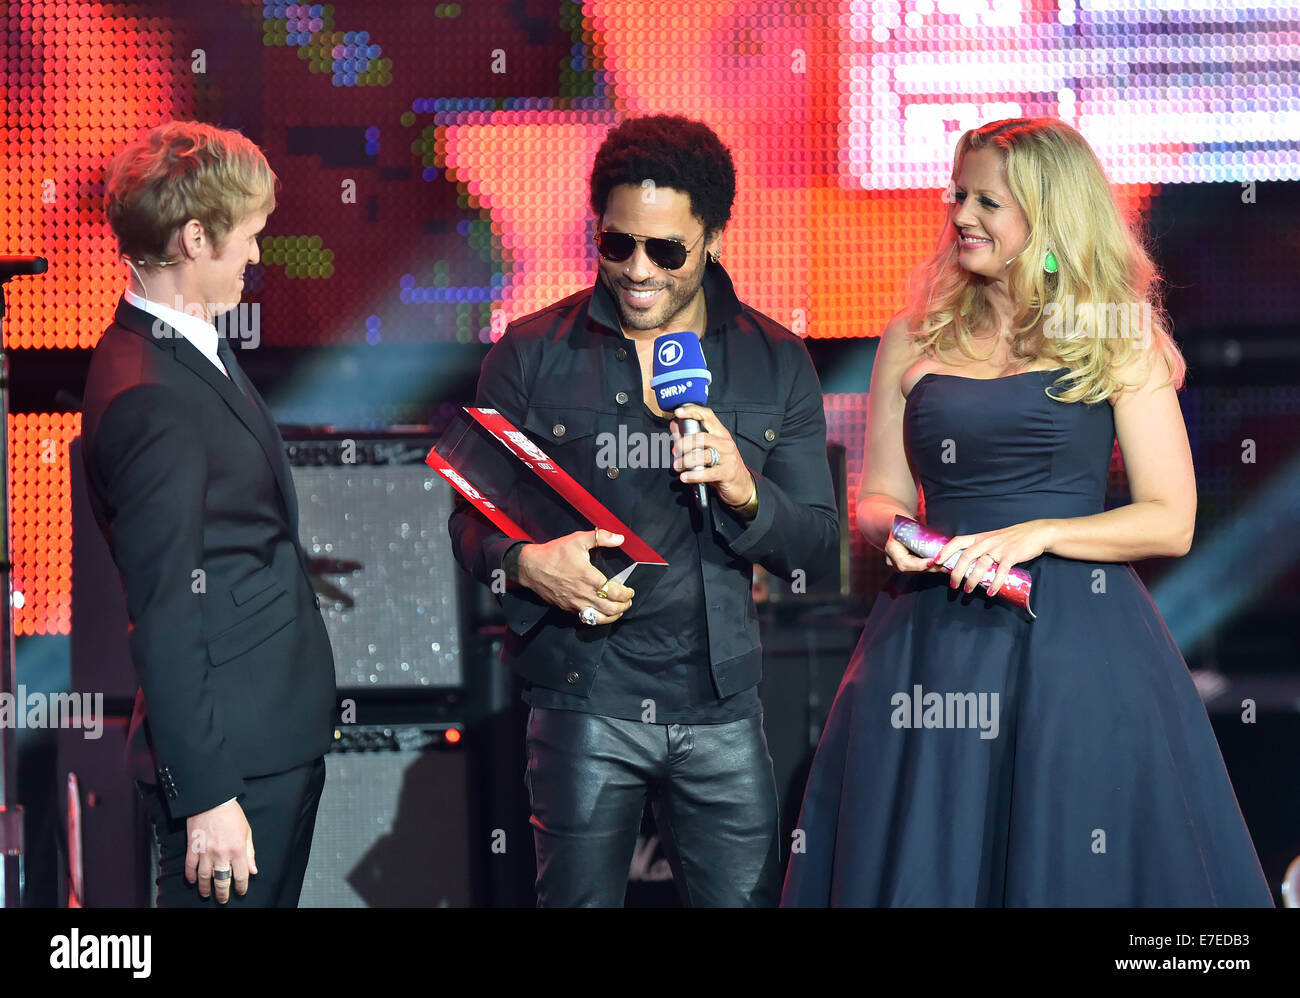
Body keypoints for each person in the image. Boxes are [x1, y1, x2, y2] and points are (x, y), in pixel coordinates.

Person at [781, 117, 1274, 907]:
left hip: (1078, 643)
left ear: (1048, 217)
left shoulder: (1117, 338)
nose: (962, 216)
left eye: (988, 202)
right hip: (930, 640)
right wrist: (902, 533)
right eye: (960, 195)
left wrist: (1041, 534)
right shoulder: (912, 339)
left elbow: (1169, 518)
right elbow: (878, 498)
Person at [447, 115, 839, 907]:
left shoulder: (774, 360)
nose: (637, 270)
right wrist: (525, 564)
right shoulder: (529, 352)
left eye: (666, 251)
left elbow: (816, 548)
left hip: (721, 709)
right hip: (583, 701)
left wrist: (744, 490)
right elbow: (469, 520)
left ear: (715, 239)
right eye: (617, 244)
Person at [81, 121, 337, 906]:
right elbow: (163, 613)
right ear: (196, 237)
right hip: (233, 768)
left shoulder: (185, 345)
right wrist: (206, 796)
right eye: (250, 237)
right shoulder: (150, 392)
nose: (258, 256)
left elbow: (207, 535)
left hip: (267, 738)